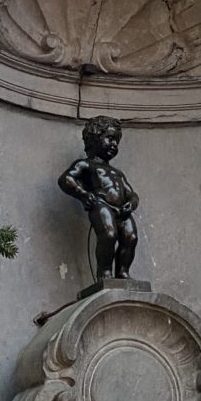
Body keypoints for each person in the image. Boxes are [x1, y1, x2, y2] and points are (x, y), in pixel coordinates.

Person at [58, 116, 139, 280]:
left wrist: (131, 204)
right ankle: (104, 272)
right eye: (110, 138)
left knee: (131, 237)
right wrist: (83, 194)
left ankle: (123, 271)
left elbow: (132, 194)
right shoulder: (86, 165)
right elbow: (66, 179)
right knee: (109, 235)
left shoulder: (117, 173)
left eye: (117, 141)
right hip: (101, 204)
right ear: (94, 139)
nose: (114, 144)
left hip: (122, 210)